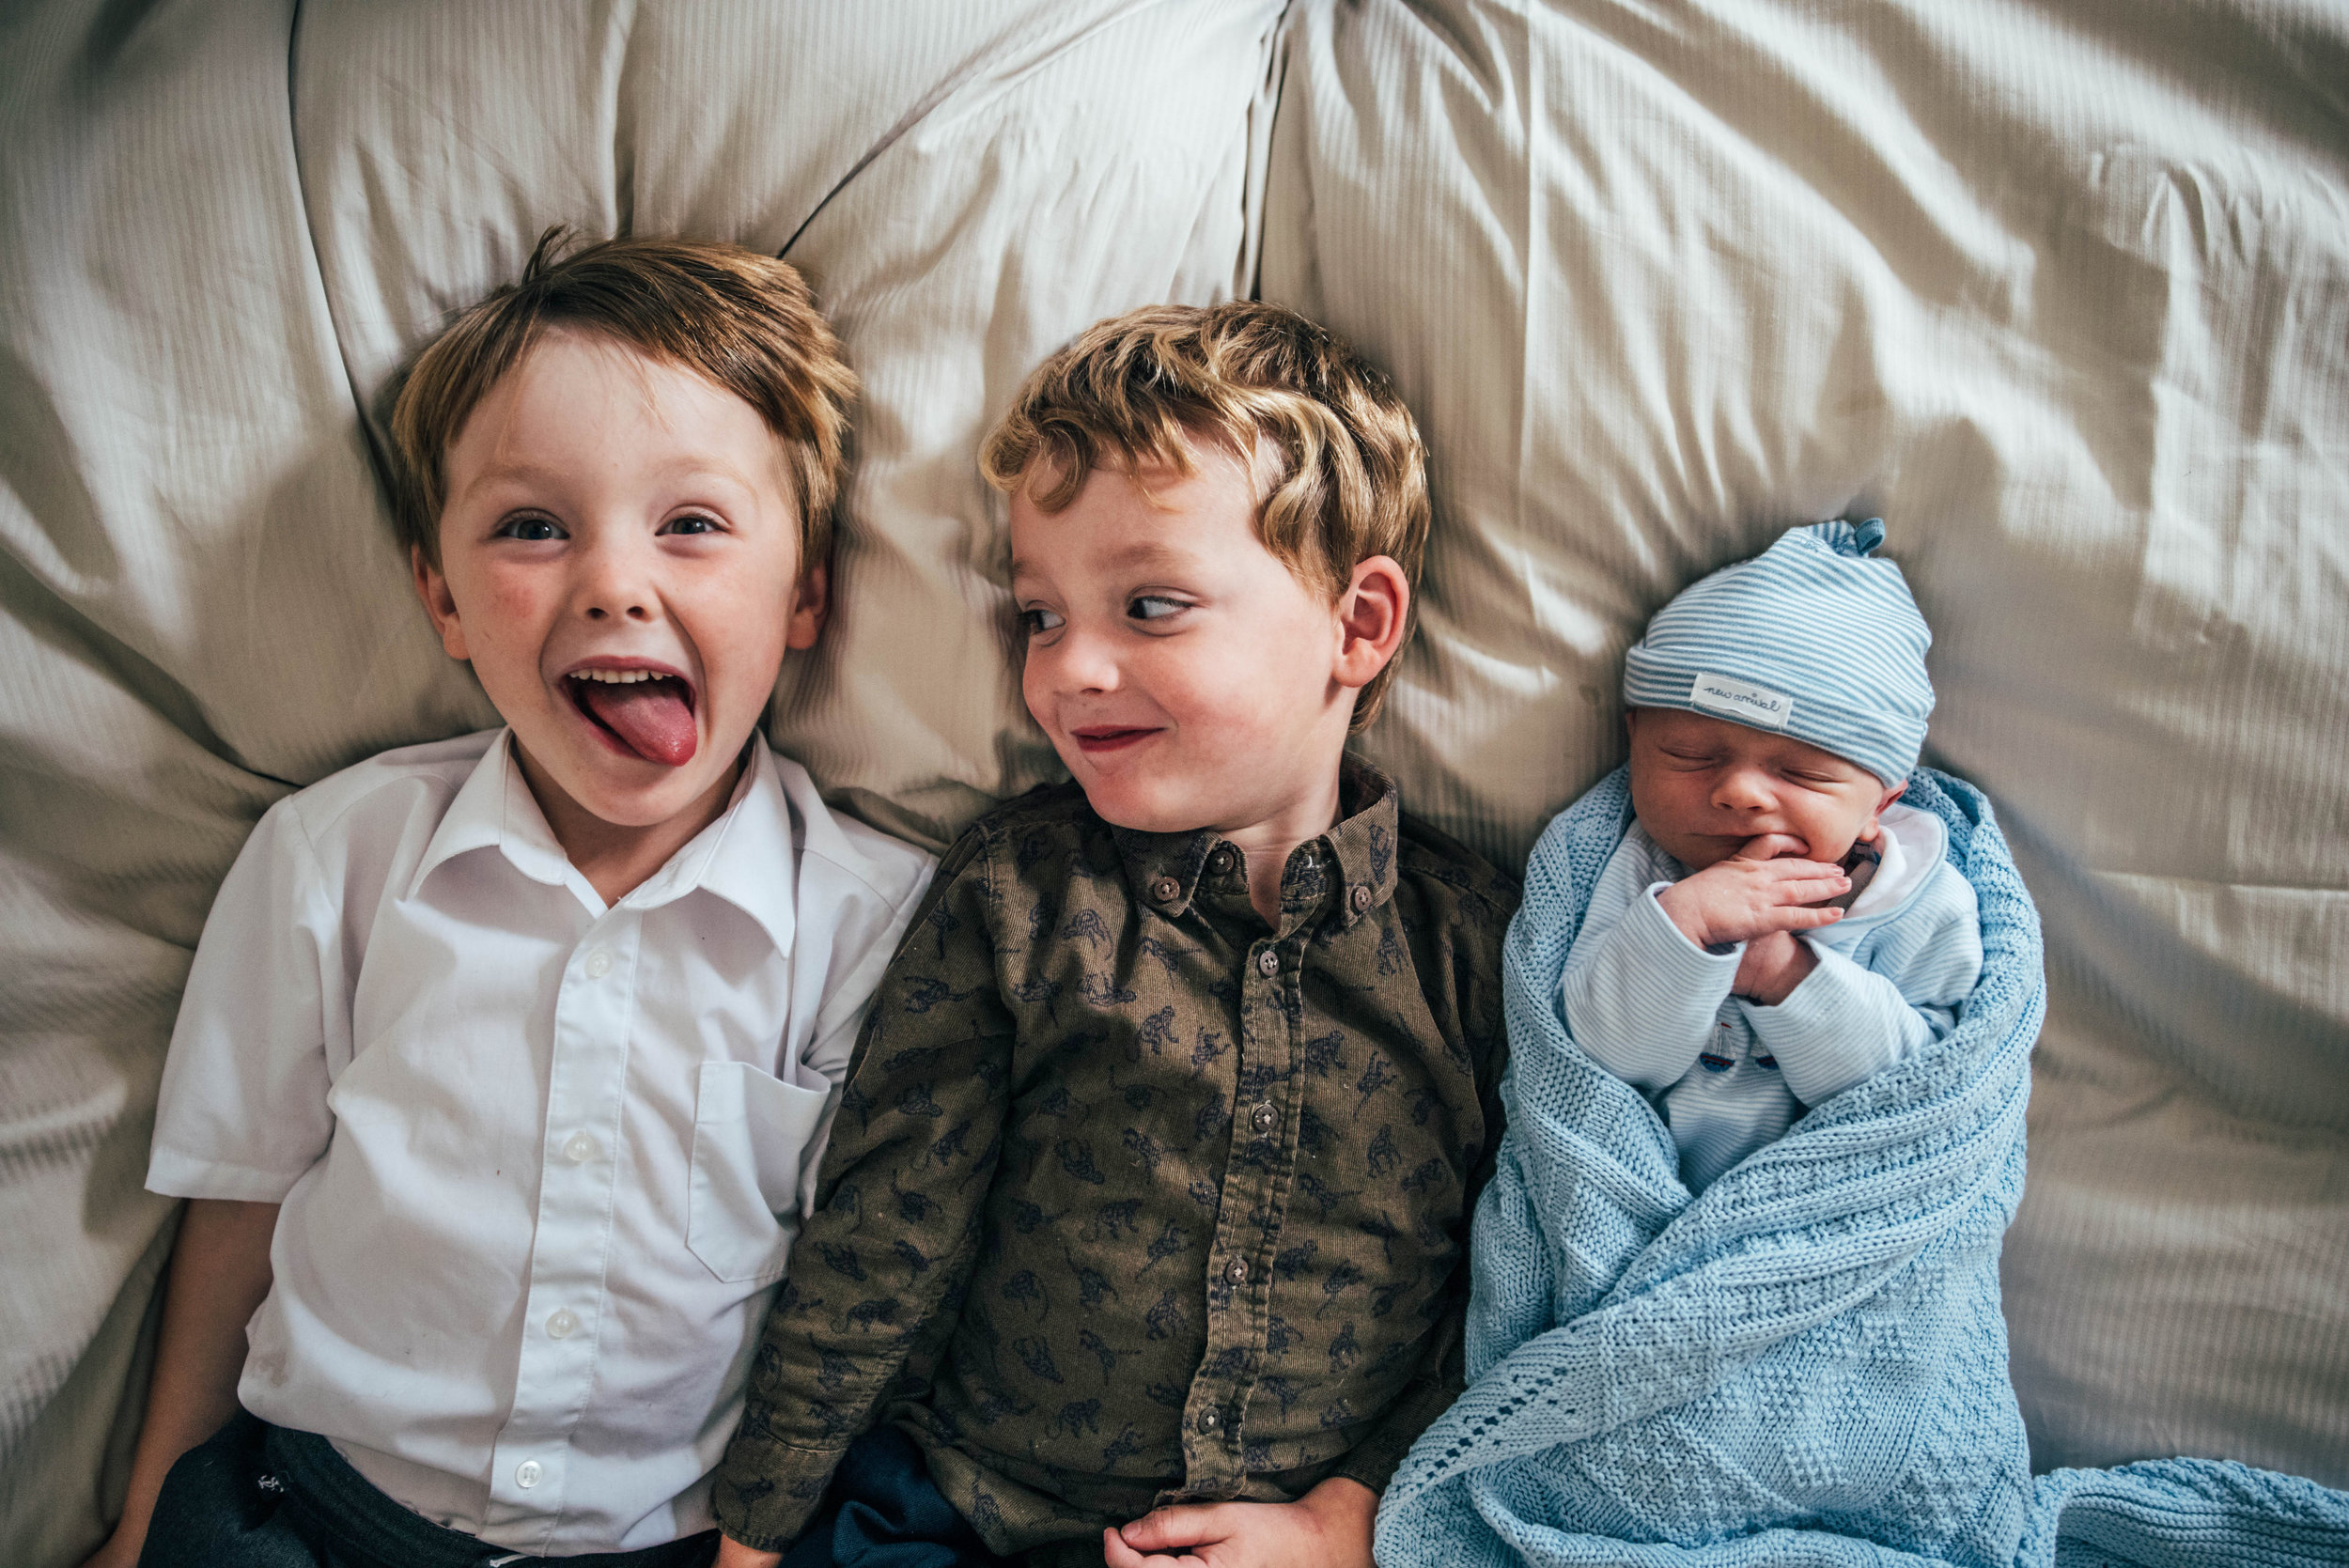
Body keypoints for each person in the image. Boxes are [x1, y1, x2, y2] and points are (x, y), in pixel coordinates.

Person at [86, 232, 937, 1567]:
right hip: (310, 1512)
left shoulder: (872, 925)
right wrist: (142, 1524)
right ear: (442, 597)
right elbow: (239, 1208)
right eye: (532, 527)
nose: (611, 580)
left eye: (693, 525)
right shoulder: (336, 859)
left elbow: (864, 1292)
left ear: (807, 591)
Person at [708, 303, 1517, 1568]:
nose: (1070, 668)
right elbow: (886, 1225)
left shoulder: (1471, 939)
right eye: (1039, 615)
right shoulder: (1021, 893)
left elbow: (1514, 1268)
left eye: (1151, 605)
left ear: (1358, 626)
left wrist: (1353, 1513)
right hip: (973, 1510)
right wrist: (754, 1536)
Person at [1556, 518, 1982, 1193]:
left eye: (1802, 775)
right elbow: (1596, 1058)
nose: (1738, 791)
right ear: (1633, 736)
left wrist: (1785, 971)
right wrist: (1685, 928)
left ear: (1882, 800)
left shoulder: (1921, 899)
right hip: (1641, 1202)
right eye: (1691, 756)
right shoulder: (1635, 867)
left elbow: (1924, 1094)